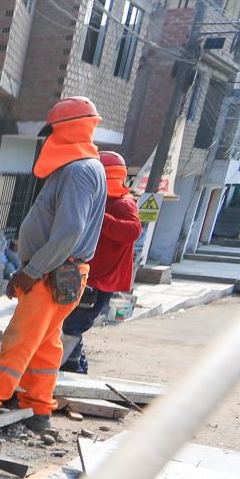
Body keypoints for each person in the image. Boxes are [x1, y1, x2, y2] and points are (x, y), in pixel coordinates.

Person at [0, 96, 107, 430]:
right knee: (47, 345)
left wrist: (31, 271)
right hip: (64, 272)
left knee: (18, 339)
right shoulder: (85, 168)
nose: (47, 140)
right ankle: (39, 410)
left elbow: (69, 231)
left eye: (51, 133)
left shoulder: (78, 171)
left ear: (66, 130)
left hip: (52, 273)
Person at [60, 150, 142, 374]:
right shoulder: (100, 199)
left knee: (73, 325)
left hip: (100, 278)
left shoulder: (123, 204)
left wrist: (99, 216)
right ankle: (75, 367)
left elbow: (133, 231)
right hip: (82, 272)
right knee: (68, 323)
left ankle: (71, 369)